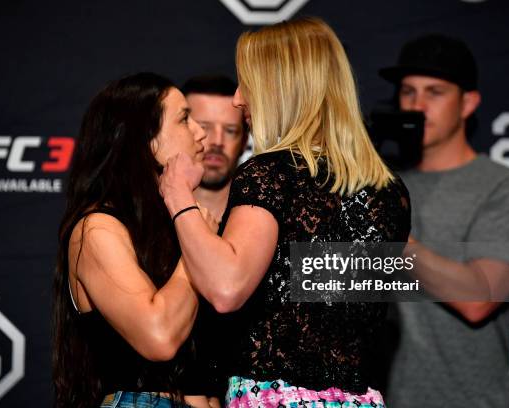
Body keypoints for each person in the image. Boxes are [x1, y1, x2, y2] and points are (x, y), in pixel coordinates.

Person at [160, 17, 410, 408]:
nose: (239, 98)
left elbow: (226, 290)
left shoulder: (270, 174)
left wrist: (178, 197)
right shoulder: (391, 192)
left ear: (281, 89)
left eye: (248, 83)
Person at [378, 34, 509, 408]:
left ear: (468, 102)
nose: (417, 106)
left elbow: (480, 298)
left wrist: (390, 234)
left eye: (435, 92)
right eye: (407, 92)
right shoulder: (381, 184)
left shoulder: (504, 187)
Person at [52, 72, 221, 408]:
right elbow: (158, 336)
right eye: (185, 119)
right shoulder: (97, 229)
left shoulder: (172, 226)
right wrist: (197, 247)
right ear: (147, 141)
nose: (201, 133)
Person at [182, 75, 248, 221]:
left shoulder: (268, 220)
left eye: (230, 130)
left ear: (244, 141)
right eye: (203, 127)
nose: (217, 142)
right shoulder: (143, 219)